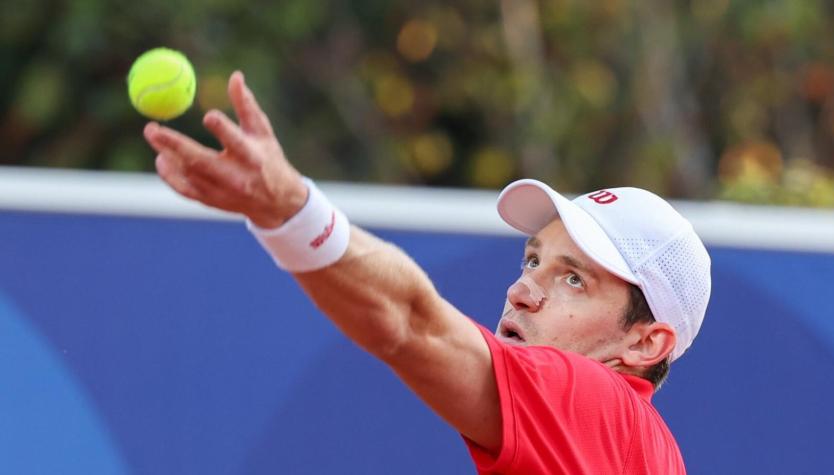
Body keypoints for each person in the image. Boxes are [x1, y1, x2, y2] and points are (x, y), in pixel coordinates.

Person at [143, 71, 711, 474]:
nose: (521, 291)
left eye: (573, 280)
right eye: (532, 260)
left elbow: (411, 323)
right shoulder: (644, 451)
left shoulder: (596, 406)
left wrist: (290, 211)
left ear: (645, 342)